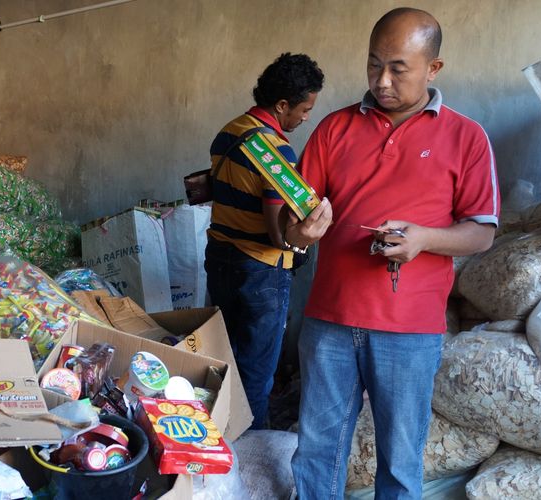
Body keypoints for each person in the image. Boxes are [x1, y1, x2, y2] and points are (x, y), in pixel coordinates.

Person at [288, 8, 500, 499]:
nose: (382, 81)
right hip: (329, 320)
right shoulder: (333, 130)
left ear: (434, 68)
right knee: (317, 450)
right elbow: (293, 225)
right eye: (373, 64)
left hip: (410, 329)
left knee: (401, 458)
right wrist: (300, 230)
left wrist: (424, 239)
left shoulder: (466, 138)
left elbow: (481, 232)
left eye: (398, 68)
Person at [204, 52, 332, 430]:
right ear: (281, 105)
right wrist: (305, 236)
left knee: (225, 360)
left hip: (220, 258)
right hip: (260, 272)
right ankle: (252, 450)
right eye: (305, 109)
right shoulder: (275, 151)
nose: (306, 117)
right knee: (258, 375)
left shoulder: (228, 131)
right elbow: (279, 234)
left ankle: (221, 436)